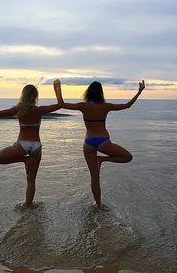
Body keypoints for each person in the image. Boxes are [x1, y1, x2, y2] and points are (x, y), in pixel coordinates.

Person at [55, 79, 145, 209]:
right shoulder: (106, 106)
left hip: (88, 143)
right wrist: (139, 91)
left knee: (94, 177)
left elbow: (61, 104)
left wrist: (57, 88)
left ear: (89, 93)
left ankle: (98, 205)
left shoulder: (83, 106)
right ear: (101, 93)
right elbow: (127, 105)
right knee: (128, 157)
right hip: (103, 141)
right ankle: (102, 159)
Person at [0, 81, 61, 208]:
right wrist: (57, 88)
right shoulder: (39, 110)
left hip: (22, 144)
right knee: (31, 180)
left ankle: (24, 160)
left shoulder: (18, 109)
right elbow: (59, 105)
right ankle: (29, 205)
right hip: (37, 146)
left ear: (23, 95)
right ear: (35, 96)